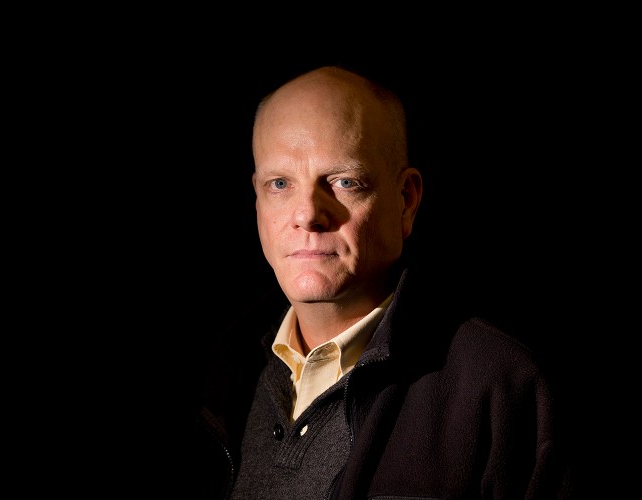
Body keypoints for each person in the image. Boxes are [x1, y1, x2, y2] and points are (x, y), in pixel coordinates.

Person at [193, 65, 574, 499]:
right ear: (258, 199)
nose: (307, 215)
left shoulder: (502, 387)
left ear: (406, 201)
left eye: (343, 182)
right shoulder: (219, 373)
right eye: (280, 184)